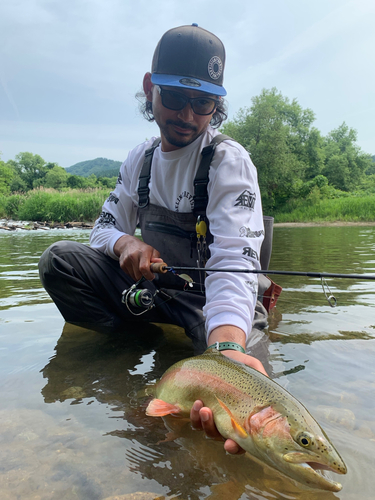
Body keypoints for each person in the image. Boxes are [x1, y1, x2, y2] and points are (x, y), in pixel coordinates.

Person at [39, 24, 277, 455]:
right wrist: (125, 245)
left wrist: (225, 349)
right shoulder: (139, 158)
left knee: (253, 397)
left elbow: (235, 262)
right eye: (174, 98)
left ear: (216, 104)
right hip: (155, 294)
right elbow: (102, 229)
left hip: (217, 306)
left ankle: (201, 357)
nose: (187, 116)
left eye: (202, 102)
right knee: (59, 260)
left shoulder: (228, 162)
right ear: (150, 89)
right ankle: (130, 346)